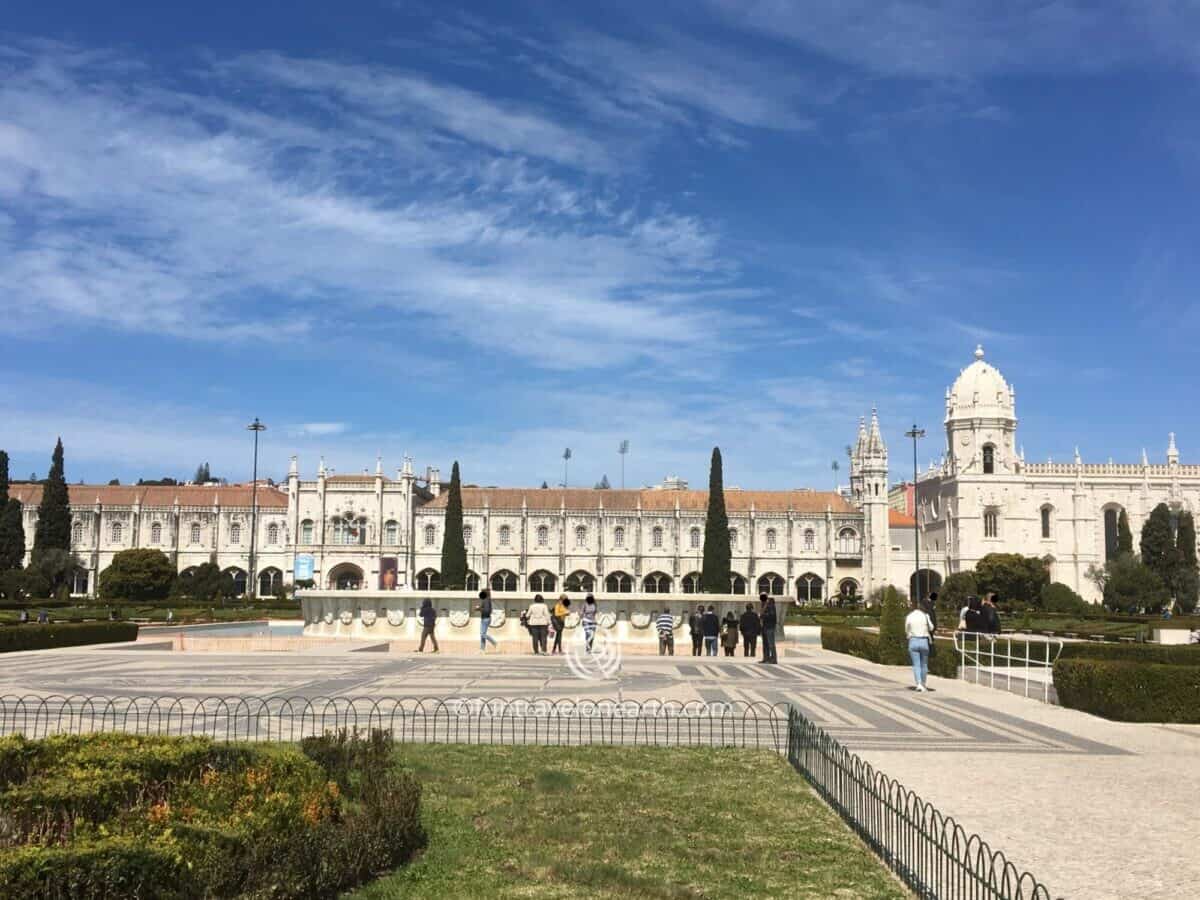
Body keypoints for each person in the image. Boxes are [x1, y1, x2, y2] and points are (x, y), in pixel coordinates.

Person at [905, 597, 935, 692]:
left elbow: (906, 629)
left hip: (913, 641)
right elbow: (931, 627)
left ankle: (918, 684)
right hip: (924, 641)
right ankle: (923, 683)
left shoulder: (909, 616)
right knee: (924, 664)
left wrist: (910, 634)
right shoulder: (925, 616)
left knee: (916, 664)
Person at [759, 594, 778, 664]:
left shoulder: (770, 606)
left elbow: (771, 615)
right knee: (765, 644)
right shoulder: (764, 605)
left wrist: (762, 615)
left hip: (769, 627)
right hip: (765, 626)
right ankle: (766, 658)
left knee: (770, 643)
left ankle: (773, 658)